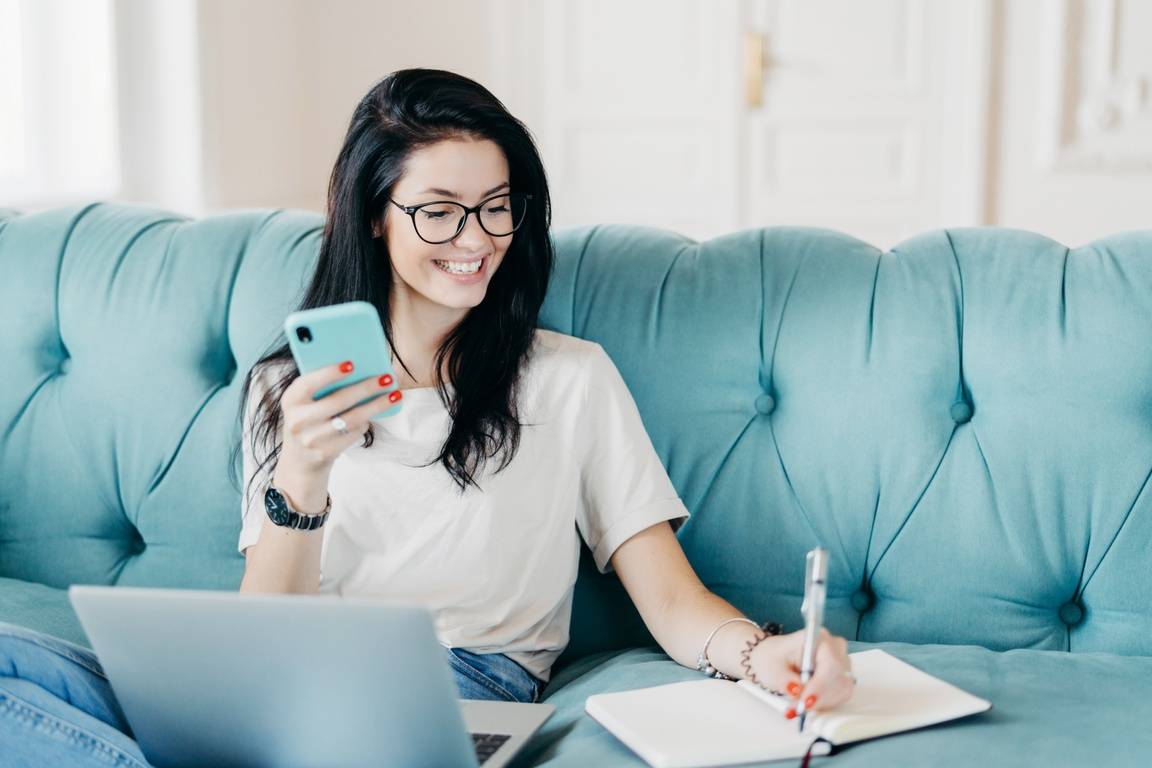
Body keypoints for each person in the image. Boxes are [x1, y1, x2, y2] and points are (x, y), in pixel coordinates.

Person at [0, 69, 854, 766]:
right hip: (289, 674)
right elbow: (265, 628)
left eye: (497, 206)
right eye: (439, 210)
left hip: (459, 681)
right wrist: (301, 477)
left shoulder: (568, 381)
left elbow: (671, 600)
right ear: (375, 216)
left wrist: (758, 657)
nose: (476, 238)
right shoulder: (290, 390)